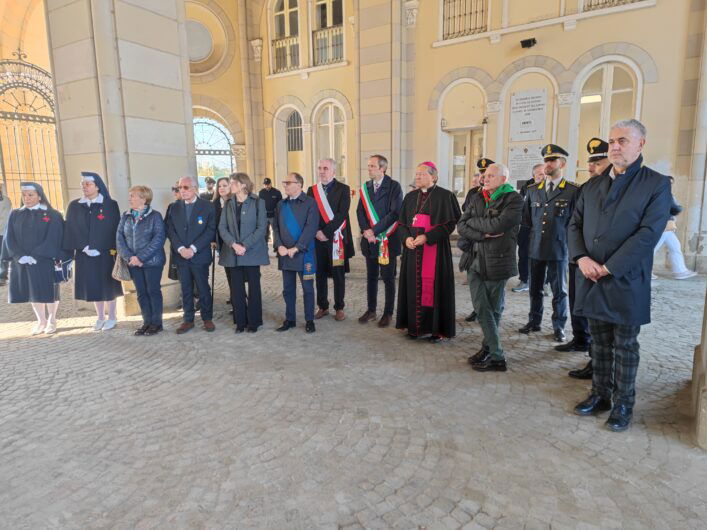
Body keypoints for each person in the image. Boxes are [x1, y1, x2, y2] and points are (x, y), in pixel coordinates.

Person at [571, 119, 672, 432]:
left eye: (623, 141)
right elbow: (574, 225)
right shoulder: (592, 185)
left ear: (640, 144)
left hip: (625, 278)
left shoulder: (655, 184)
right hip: (590, 276)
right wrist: (581, 257)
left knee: (625, 345)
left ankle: (624, 402)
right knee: (599, 343)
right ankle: (600, 394)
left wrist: (610, 266)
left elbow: (648, 233)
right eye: (612, 141)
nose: (615, 146)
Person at [458, 163, 523, 371]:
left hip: (498, 260)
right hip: (474, 258)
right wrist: (483, 234)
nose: (485, 179)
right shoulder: (478, 197)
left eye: (491, 176)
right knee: (481, 306)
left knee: (493, 308)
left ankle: (494, 355)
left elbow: (499, 225)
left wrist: (477, 224)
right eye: (484, 175)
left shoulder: (514, 199)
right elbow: (461, 225)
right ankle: (493, 352)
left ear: (503, 179)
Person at [519, 144, 579, 343]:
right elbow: (527, 220)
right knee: (535, 288)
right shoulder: (533, 190)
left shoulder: (572, 191)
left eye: (552, 160)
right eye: (546, 160)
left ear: (562, 163)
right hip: (536, 247)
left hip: (559, 249)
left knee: (559, 291)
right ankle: (534, 321)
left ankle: (559, 326)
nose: (547, 164)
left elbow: (575, 223)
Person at [396, 161, 461, 342]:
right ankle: (413, 327)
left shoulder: (445, 196)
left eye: (421, 174)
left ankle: (435, 330)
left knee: (435, 288)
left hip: (435, 251)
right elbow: (401, 224)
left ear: (433, 176)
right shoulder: (410, 197)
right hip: (412, 251)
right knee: (412, 287)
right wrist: (406, 238)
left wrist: (428, 237)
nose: (417, 177)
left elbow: (449, 224)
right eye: (416, 174)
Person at [564, 138, 611, 379]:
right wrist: (578, 256)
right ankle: (583, 343)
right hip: (580, 261)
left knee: (599, 315)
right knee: (579, 305)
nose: (591, 168)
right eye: (590, 163)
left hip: (604, 265)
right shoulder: (586, 188)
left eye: (598, 162)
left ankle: (599, 363)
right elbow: (574, 224)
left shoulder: (619, 189)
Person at [63, 172, 123, 331]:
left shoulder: (110, 205)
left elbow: (114, 229)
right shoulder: (74, 205)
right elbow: (71, 229)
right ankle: (100, 317)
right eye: (82, 184)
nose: (84, 187)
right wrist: (84, 247)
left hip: (105, 253)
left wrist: (100, 247)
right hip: (85, 254)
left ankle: (112, 316)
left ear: (97, 186)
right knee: (94, 286)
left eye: (88, 184)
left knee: (108, 286)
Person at [4, 182, 64, 335]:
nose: (27, 198)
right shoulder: (15, 214)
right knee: (33, 291)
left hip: (45, 260)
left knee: (49, 290)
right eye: (24, 195)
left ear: (39, 195)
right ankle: (41, 321)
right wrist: (19, 256)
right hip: (23, 261)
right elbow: (9, 237)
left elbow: (54, 237)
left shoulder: (53, 214)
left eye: (30, 195)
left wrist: (36, 255)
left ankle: (52, 319)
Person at [356, 154, 403, 328]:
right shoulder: (365, 187)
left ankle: (388, 312)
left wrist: (374, 231)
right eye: (368, 166)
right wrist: (366, 231)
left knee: (388, 278)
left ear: (382, 168)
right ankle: (371, 310)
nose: (369, 169)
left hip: (387, 240)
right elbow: (359, 211)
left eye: (372, 166)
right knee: (371, 277)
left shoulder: (394, 186)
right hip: (370, 241)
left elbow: (394, 213)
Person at [219, 172, 269, 333]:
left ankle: (254, 322)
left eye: (233, 183)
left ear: (242, 185)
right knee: (236, 289)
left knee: (254, 288)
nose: (230, 186)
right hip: (233, 252)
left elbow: (261, 228)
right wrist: (234, 245)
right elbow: (222, 227)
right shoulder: (228, 204)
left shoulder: (258, 202)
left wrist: (244, 245)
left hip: (252, 251)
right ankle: (240, 322)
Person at [166, 176, 217, 334]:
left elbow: (210, 230)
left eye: (186, 187)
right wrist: (181, 248)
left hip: (200, 256)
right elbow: (169, 230)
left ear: (195, 188)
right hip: (181, 256)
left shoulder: (207, 206)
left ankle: (207, 318)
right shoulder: (173, 207)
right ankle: (188, 320)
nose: (182, 190)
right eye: (180, 187)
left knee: (203, 288)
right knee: (186, 289)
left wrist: (193, 248)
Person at [307, 158, 355, 321]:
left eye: (325, 168)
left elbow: (342, 214)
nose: (322, 171)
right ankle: (323, 306)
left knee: (338, 274)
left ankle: (339, 307)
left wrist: (325, 232)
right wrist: (316, 232)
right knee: (319, 273)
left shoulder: (344, 189)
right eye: (319, 168)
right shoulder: (312, 190)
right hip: (317, 239)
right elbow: (310, 214)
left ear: (334, 171)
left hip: (336, 239)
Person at [116, 186, 166, 336]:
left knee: (153, 291)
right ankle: (147, 322)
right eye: (130, 195)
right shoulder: (126, 216)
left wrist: (141, 257)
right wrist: (130, 257)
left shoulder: (155, 216)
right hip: (133, 262)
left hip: (152, 262)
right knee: (141, 293)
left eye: (132, 196)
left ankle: (156, 323)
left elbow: (159, 239)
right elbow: (119, 238)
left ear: (143, 199)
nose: (129, 198)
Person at [273, 172, 319, 333]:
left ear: (299, 184)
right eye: (284, 182)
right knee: (288, 289)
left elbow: (311, 228)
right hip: (285, 254)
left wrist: (296, 248)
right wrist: (279, 246)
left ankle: (309, 320)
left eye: (288, 182)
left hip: (303, 253)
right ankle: (290, 319)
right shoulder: (281, 204)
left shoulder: (310, 203)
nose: (284, 185)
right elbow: (276, 227)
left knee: (307, 289)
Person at [652, 179, 697, 280]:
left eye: (672, 183)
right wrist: (678, 207)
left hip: (667, 225)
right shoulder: (663, 194)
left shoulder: (665, 194)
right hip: (664, 225)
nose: (671, 185)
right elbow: (675, 208)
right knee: (653, 248)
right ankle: (645, 271)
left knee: (675, 246)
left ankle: (680, 271)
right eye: (669, 183)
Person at [511, 164, 545, 293]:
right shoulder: (527, 188)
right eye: (539, 174)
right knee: (524, 254)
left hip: (542, 227)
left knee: (542, 255)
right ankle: (524, 280)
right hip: (526, 226)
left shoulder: (550, 187)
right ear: (534, 175)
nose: (542, 177)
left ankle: (544, 282)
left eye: (544, 174)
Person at [212, 176, 233, 312]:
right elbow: (212, 224)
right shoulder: (214, 204)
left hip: (235, 243)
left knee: (238, 272)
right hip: (221, 243)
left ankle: (240, 297)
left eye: (224, 185)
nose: (221, 188)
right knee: (229, 272)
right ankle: (234, 296)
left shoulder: (235, 202)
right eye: (219, 186)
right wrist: (213, 240)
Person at [259, 177, 282, 251]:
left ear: (270, 184)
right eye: (265, 184)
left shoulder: (276, 192)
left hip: (274, 216)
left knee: (275, 232)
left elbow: (280, 203)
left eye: (268, 184)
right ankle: (264, 247)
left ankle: (276, 247)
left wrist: (278, 213)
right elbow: (259, 204)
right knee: (265, 232)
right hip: (264, 216)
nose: (266, 186)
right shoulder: (261, 192)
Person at [0, 182, 12, 286]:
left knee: (2, 254)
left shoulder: (6, 201)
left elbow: (4, 218)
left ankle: (2, 276)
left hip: (2, 232)